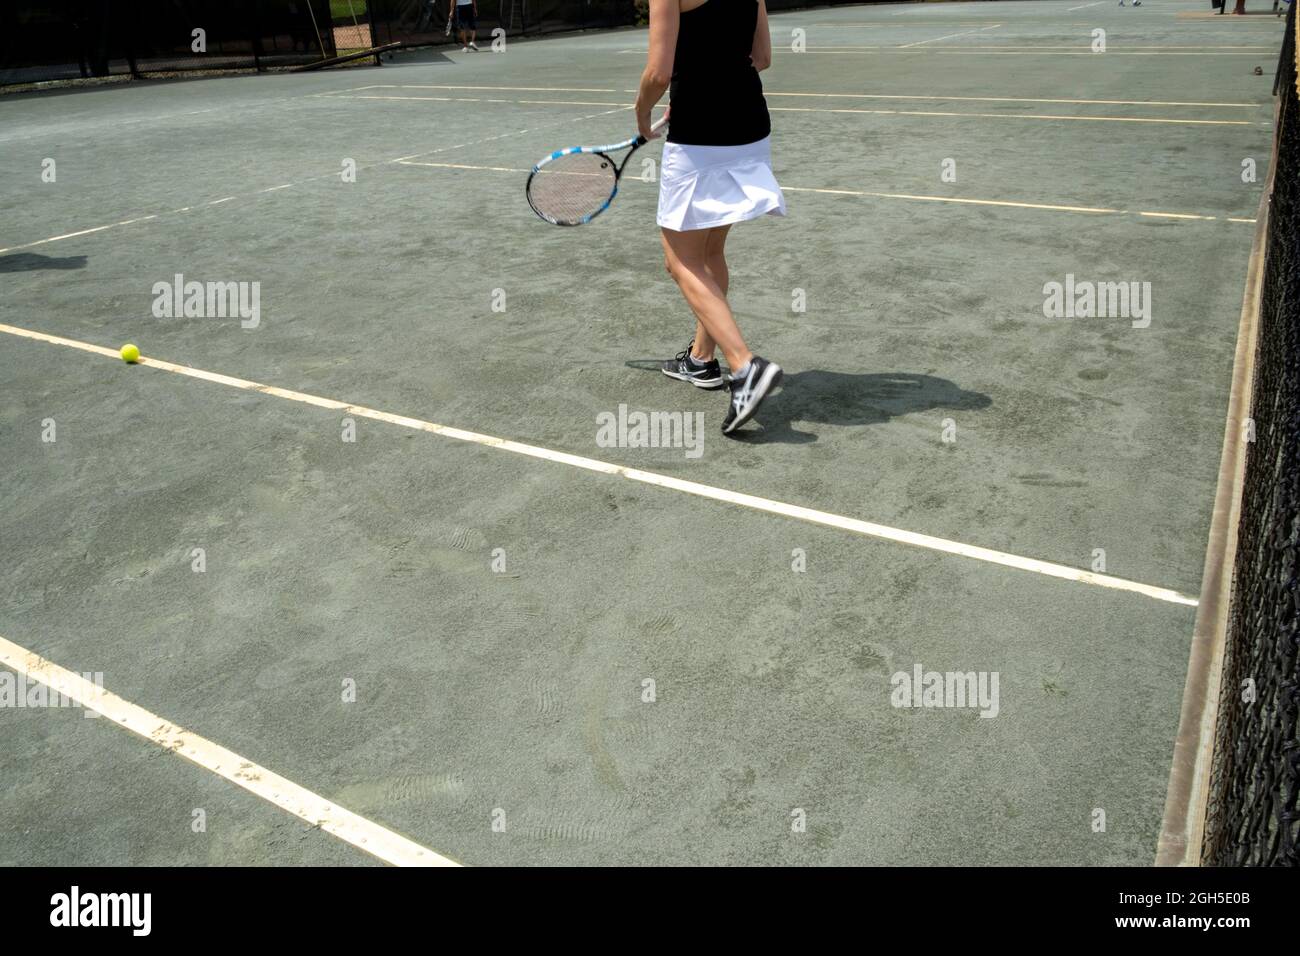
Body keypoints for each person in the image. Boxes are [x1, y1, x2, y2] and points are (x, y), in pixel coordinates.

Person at [635, 0, 786, 436]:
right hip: (749, 126)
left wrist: (642, 110)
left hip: (701, 137)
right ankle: (701, 361)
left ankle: (745, 366)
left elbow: (658, 74)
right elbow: (763, 58)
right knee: (710, 251)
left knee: (680, 261)